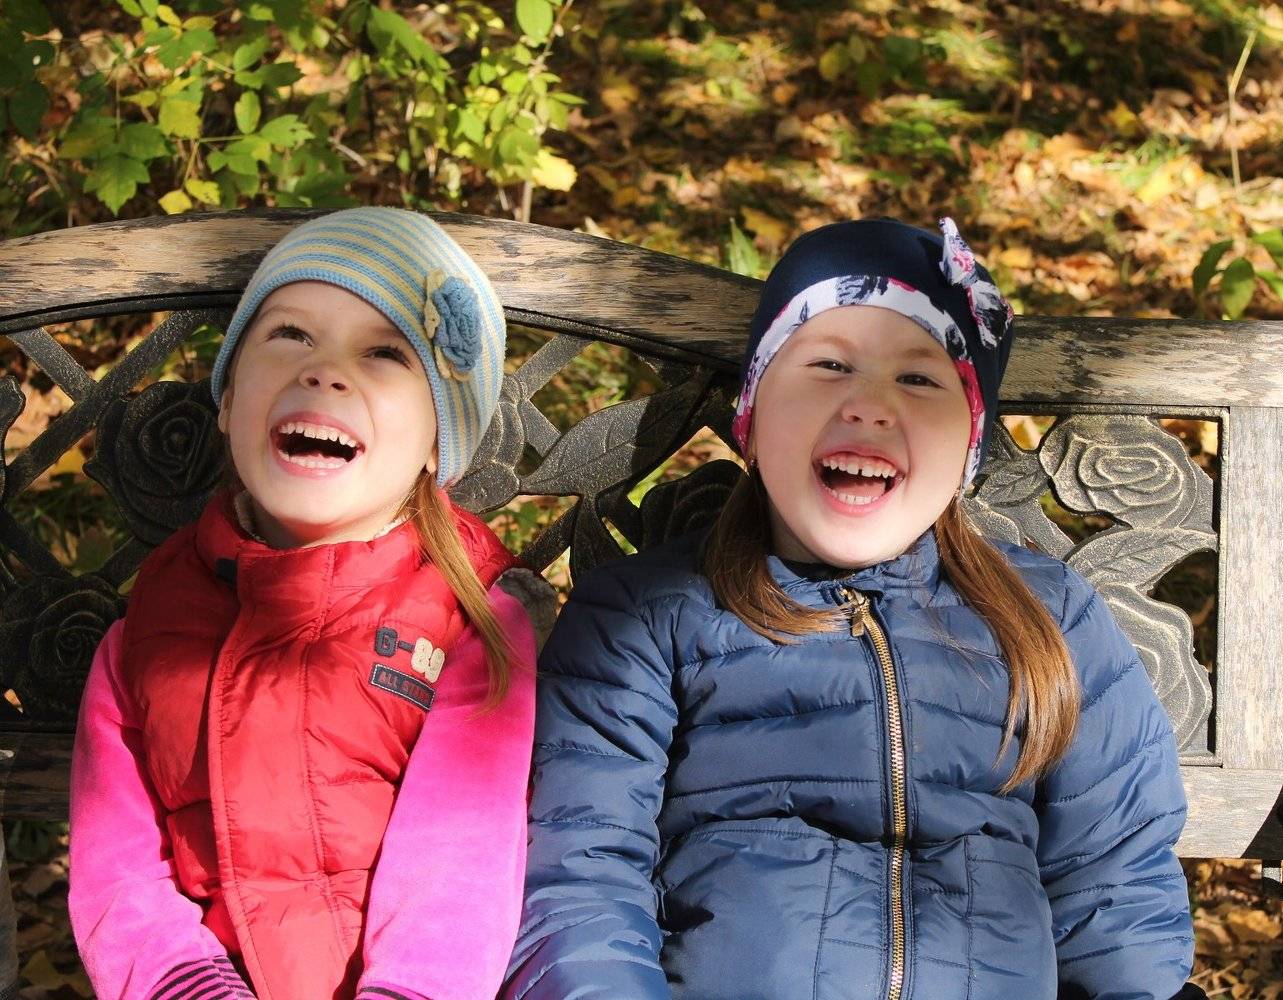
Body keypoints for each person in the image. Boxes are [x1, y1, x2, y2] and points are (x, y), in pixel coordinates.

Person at [504, 217, 1206, 999]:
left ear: (967, 446)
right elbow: (583, 877)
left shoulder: (1050, 619)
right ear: (753, 415)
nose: (869, 406)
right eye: (829, 365)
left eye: (919, 380)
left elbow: (1113, 882)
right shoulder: (646, 615)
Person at [69, 207, 542, 1000]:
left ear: (439, 442)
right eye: (290, 334)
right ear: (227, 400)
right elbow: (116, 864)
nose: (325, 372)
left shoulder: (471, 620)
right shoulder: (151, 623)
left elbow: (464, 863)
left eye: (386, 353)